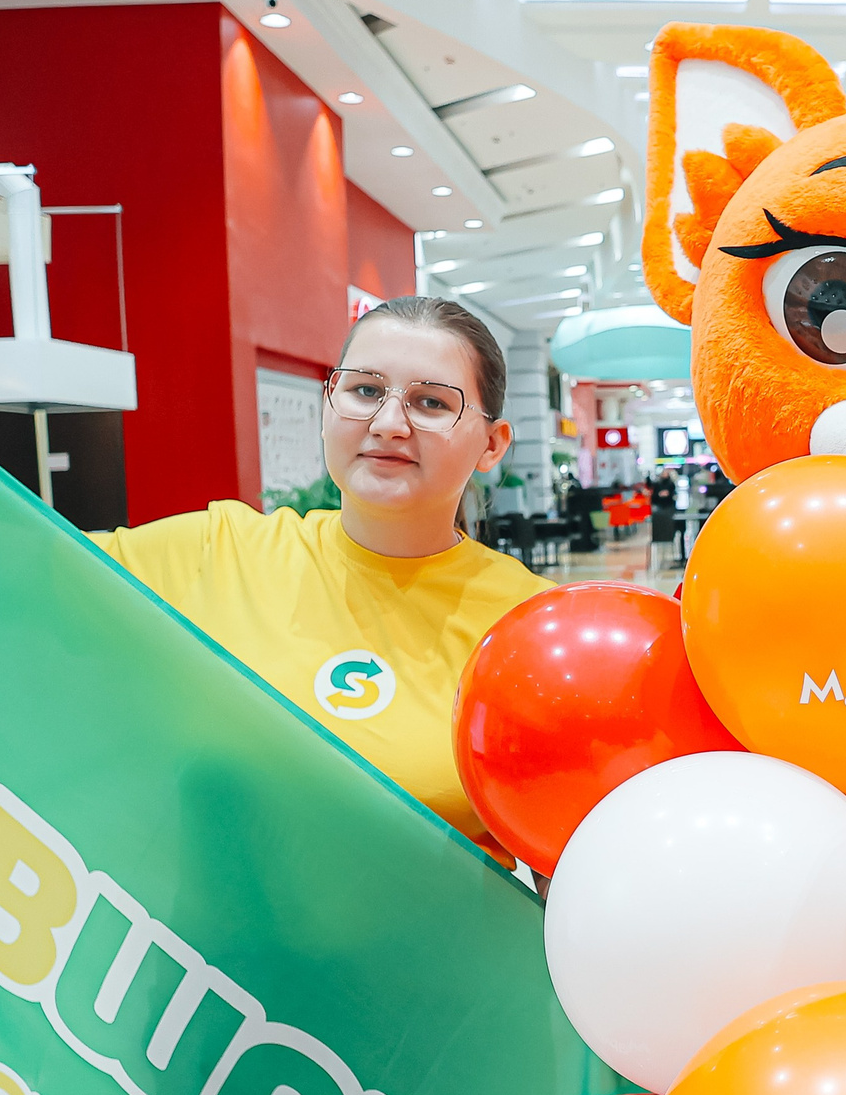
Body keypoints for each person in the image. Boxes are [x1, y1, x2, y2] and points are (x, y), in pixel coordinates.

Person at [94, 296, 550, 856]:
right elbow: (10, 565)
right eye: (364, 391)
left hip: (431, 942)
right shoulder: (217, 551)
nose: (388, 424)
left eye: (431, 402)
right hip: (208, 943)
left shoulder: (534, 626)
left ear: (492, 443)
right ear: (329, 404)